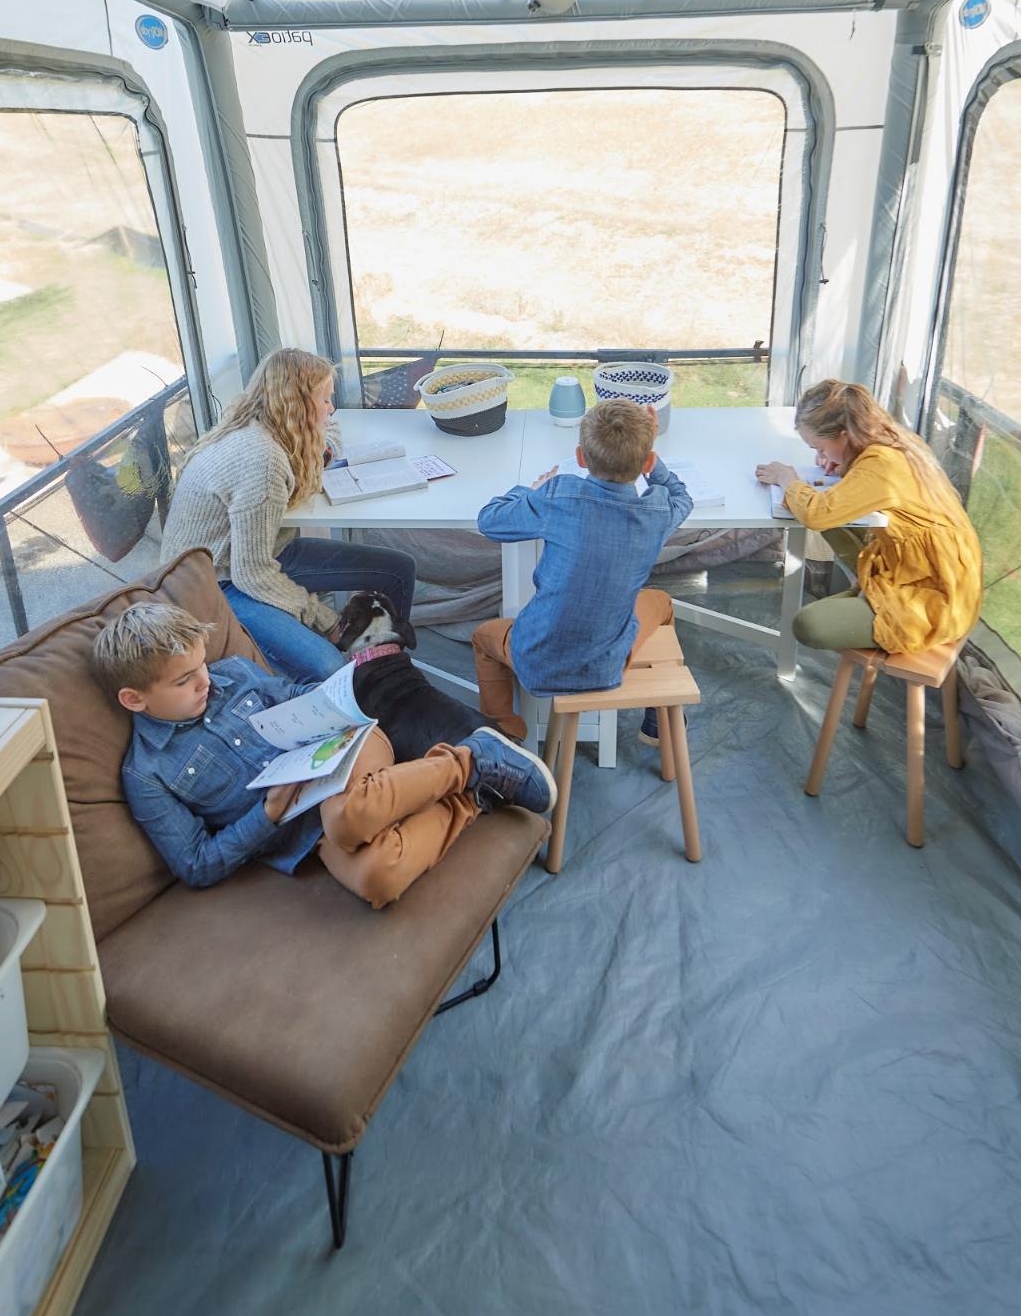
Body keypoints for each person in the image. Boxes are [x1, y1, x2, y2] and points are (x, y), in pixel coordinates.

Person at [94, 602, 557, 910]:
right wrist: (270, 814)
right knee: (379, 879)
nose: (205, 682)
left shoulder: (231, 674)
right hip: (301, 833)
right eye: (184, 681)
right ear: (135, 699)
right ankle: (474, 793)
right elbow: (196, 864)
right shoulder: (148, 774)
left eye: (201, 666)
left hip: (345, 753)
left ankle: (470, 760)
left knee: (347, 817)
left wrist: (320, 701)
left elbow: (294, 691)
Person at [159, 348, 416, 686]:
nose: (331, 408)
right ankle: (348, 697)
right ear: (297, 405)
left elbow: (330, 429)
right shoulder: (260, 460)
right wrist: (323, 619)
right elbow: (251, 573)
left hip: (261, 555)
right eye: (324, 400)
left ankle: (388, 671)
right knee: (326, 666)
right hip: (215, 583)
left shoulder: (266, 422)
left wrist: (323, 448)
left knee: (397, 571)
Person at [471, 398, 693, 746]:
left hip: (535, 661)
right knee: (661, 603)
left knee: (485, 637)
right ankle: (657, 726)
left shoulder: (558, 495)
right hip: (606, 667)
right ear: (647, 461)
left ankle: (505, 733)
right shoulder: (657, 511)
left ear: (580, 457)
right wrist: (653, 457)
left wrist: (530, 491)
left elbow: (489, 520)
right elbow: (682, 496)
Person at [754, 379, 982, 654]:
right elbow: (868, 487)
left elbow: (817, 514)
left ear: (844, 435)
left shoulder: (882, 464)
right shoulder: (894, 441)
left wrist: (787, 479)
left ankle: (873, 601)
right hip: (934, 574)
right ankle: (864, 593)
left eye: (821, 449)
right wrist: (841, 463)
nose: (820, 456)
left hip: (937, 599)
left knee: (808, 624)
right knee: (837, 522)